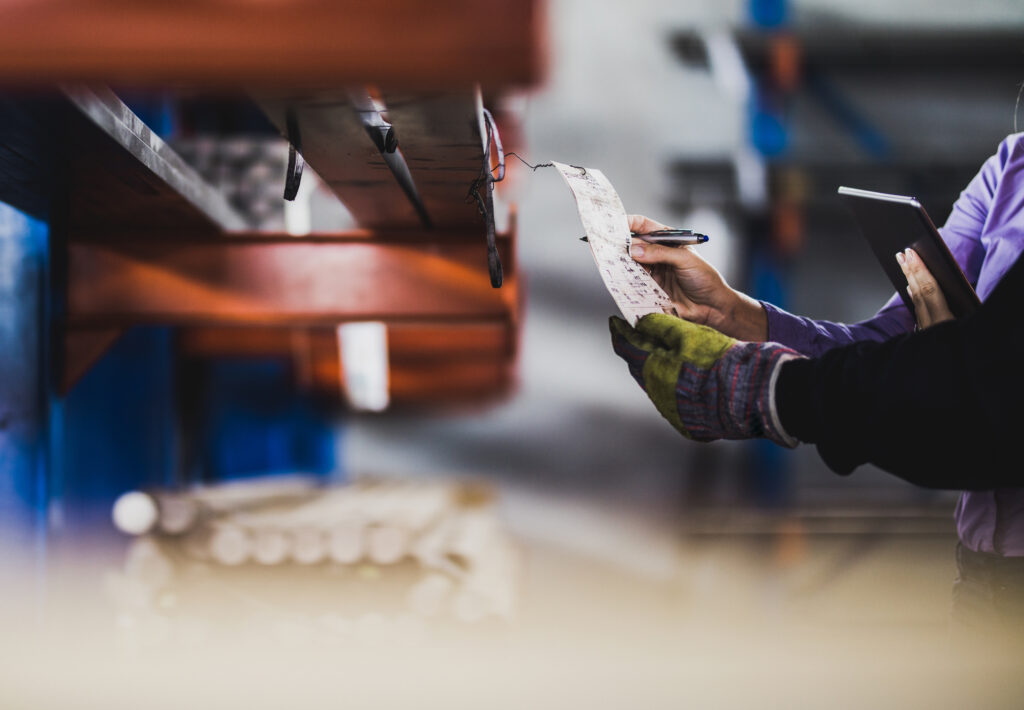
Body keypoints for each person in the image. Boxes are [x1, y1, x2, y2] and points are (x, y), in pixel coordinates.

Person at [611, 132, 1024, 631]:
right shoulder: (1011, 166)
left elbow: (988, 399)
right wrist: (733, 313)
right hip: (980, 581)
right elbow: (884, 349)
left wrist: (769, 388)